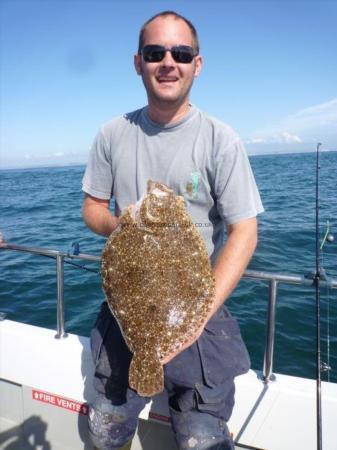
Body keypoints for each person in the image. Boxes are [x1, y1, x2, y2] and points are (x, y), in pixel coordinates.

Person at [82, 10, 263, 450]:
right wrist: (122, 224)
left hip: (199, 307)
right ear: (138, 62)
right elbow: (92, 210)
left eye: (181, 53)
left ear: (196, 64)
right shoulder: (111, 134)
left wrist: (198, 314)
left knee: (202, 439)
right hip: (129, 307)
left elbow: (244, 231)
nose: (168, 62)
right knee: (106, 430)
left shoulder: (222, 140)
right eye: (154, 52)